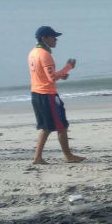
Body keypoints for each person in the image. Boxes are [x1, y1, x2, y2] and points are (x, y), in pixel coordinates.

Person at [28, 26, 85, 165]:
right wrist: (68, 67)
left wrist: (61, 75)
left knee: (46, 127)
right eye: (53, 37)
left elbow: (45, 75)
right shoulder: (44, 54)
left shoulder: (33, 53)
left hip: (36, 93)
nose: (56, 39)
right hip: (47, 95)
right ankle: (67, 155)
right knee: (62, 126)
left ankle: (38, 157)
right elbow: (51, 77)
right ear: (44, 38)